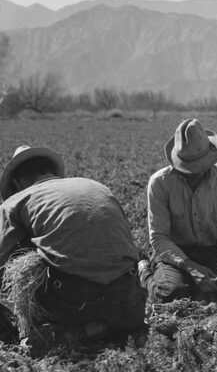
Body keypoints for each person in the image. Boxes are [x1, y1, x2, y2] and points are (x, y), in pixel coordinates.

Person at [0, 145, 145, 353]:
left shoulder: (17, 200)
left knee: (23, 260)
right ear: (50, 171)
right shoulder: (97, 187)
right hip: (128, 301)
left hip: (73, 304)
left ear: (17, 182)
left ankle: (72, 332)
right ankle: (110, 327)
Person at [141, 119, 217, 303]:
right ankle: (144, 273)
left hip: (210, 251)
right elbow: (159, 238)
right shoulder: (160, 183)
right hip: (173, 255)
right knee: (173, 294)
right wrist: (190, 267)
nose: (196, 171)